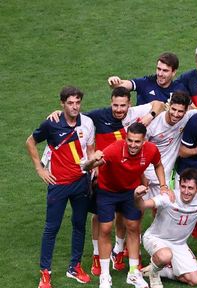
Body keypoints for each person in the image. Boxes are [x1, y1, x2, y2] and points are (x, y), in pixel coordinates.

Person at [45, 87, 165, 275]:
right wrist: (59, 113)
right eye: (115, 105)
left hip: (128, 174)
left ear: (129, 105)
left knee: (127, 216)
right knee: (101, 215)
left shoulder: (135, 113)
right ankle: (96, 254)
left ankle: (118, 250)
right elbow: (74, 114)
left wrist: (148, 117)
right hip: (104, 175)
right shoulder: (98, 116)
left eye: (123, 106)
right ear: (110, 103)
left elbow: (159, 104)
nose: (119, 109)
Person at [83, 122, 170, 288]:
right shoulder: (114, 150)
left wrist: (163, 185)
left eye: (137, 142)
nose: (132, 145)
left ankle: (133, 273)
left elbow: (158, 164)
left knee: (133, 227)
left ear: (144, 141)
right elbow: (86, 168)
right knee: (106, 228)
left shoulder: (151, 150)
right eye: (129, 140)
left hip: (131, 192)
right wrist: (92, 160)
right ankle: (105, 275)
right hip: (107, 191)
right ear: (126, 138)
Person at [26, 86, 95, 288]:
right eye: (70, 103)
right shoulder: (52, 123)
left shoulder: (88, 122)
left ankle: (74, 267)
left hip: (81, 182)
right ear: (62, 104)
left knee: (79, 224)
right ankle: (45, 272)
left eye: (77, 103)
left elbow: (89, 150)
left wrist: (93, 167)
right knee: (51, 227)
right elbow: (30, 142)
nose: (74, 107)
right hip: (58, 185)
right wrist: (40, 169)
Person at [134, 168, 197, 288]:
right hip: (155, 238)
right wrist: (137, 196)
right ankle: (154, 275)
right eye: (183, 186)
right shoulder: (168, 197)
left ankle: (161, 270)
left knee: (196, 280)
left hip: (179, 244)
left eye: (190, 188)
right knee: (165, 255)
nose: (186, 192)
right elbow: (142, 205)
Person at [144, 92, 196, 198]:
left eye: (180, 111)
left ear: (186, 110)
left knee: (162, 209)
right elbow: (140, 148)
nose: (176, 114)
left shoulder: (187, 117)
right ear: (169, 106)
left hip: (164, 176)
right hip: (146, 174)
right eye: (173, 109)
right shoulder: (153, 124)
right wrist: (141, 175)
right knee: (137, 210)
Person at [107, 52, 188, 105]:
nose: (160, 74)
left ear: (173, 72)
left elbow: (191, 110)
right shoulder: (146, 83)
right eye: (158, 69)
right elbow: (122, 85)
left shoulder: (179, 89)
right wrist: (114, 81)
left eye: (165, 71)